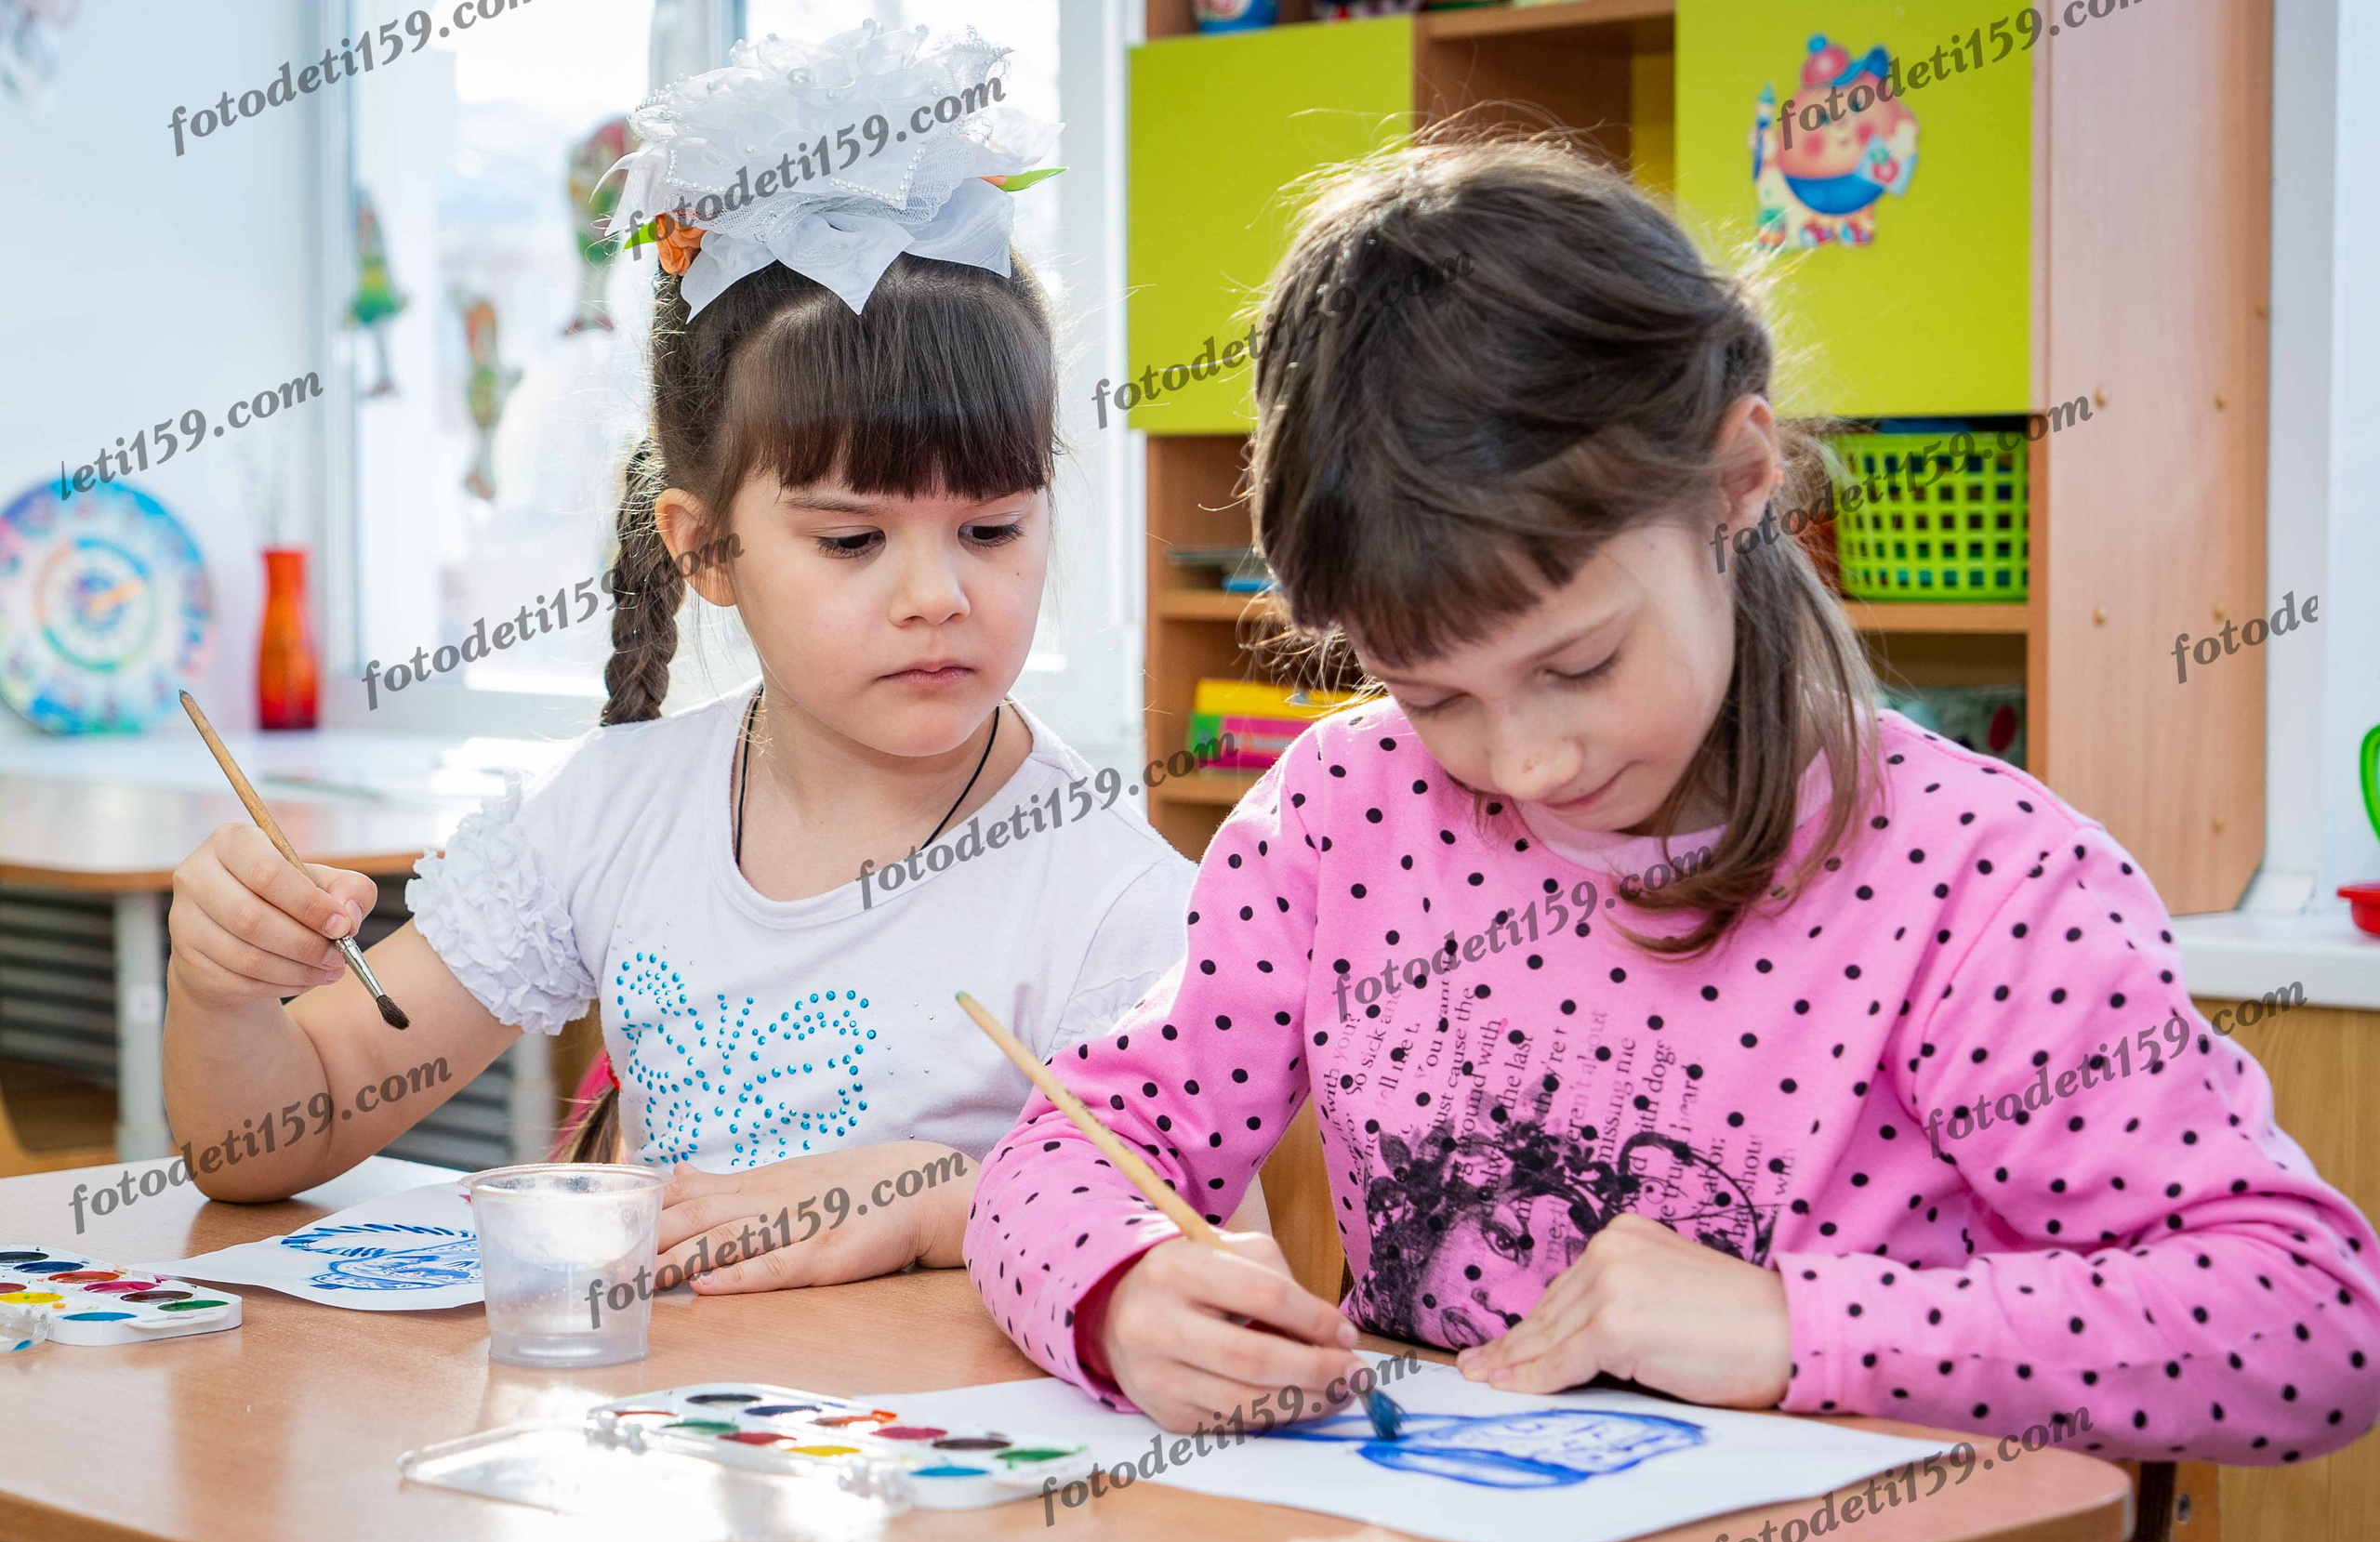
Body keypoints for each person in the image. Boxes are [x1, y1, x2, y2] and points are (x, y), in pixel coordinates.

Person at [965, 133, 2380, 1467]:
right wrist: (1120, 1293)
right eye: (1433, 693)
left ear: (1737, 480)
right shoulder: (1344, 812)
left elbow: (2306, 1322)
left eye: (1577, 663)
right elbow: (1068, 1152)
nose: (1525, 765)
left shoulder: (1974, 881)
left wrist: (1796, 1328)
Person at [160, 24, 1211, 1297]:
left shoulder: (1110, 899)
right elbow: (276, 1138)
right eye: (853, 539)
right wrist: (220, 996)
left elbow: (1204, 1255)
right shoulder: (610, 814)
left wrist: (942, 1197)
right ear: (706, 548)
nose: (937, 596)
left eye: (992, 527)